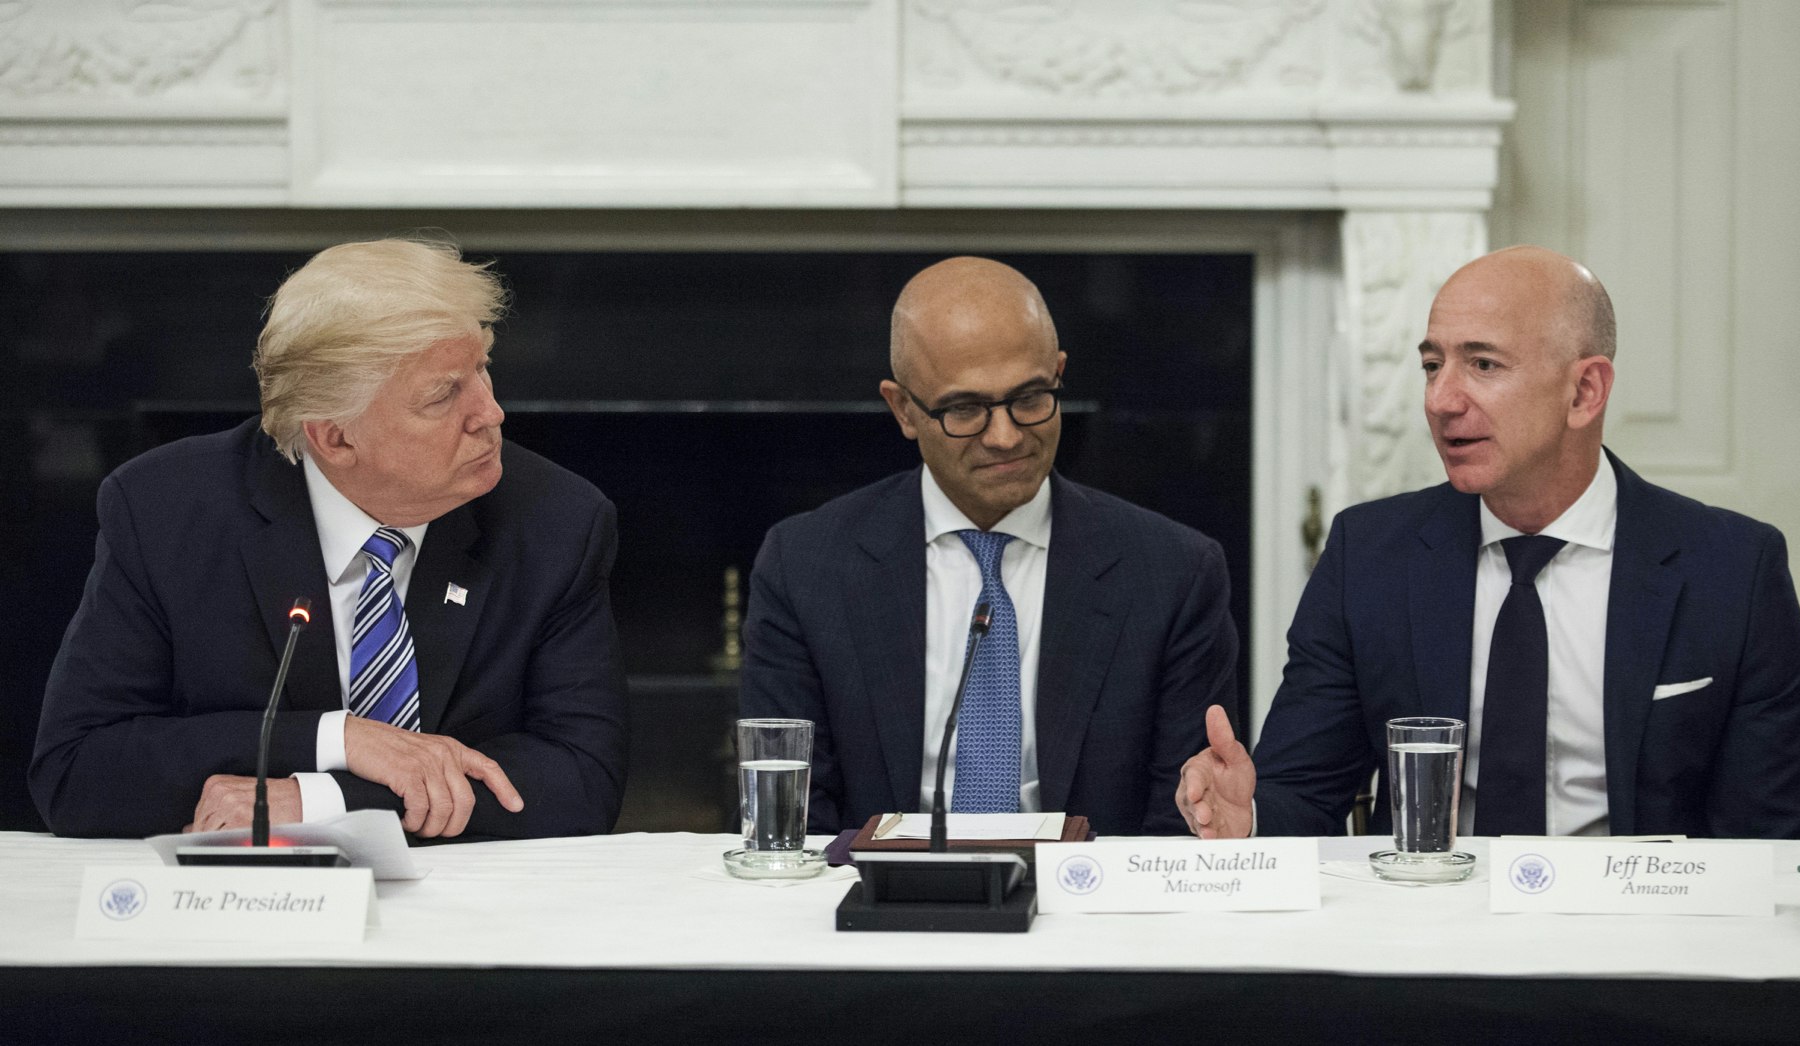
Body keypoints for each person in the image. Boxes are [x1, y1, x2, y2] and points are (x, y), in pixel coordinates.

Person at [1178, 245, 1800, 840]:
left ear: (1584, 391)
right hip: (1427, 935)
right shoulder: (1369, 556)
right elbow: (1305, 791)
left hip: (1639, 943)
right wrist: (1250, 814)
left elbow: (1767, 840)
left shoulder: (1732, 570)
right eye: (1432, 366)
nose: (1441, 399)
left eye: (1483, 364)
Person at [31, 239, 628, 841]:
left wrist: (319, 799)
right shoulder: (165, 511)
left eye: (481, 369)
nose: (490, 412)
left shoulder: (556, 521)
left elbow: (582, 781)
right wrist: (337, 738)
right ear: (335, 439)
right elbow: (76, 772)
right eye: (444, 394)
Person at [740, 256, 1239, 836]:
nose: (1005, 437)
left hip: (1092, 905)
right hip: (879, 907)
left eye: (1030, 398)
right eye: (965, 409)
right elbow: (793, 821)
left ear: (1057, 373)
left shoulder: (1173, 573)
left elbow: (1179, 825)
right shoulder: (805, 566)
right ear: (903, 409)